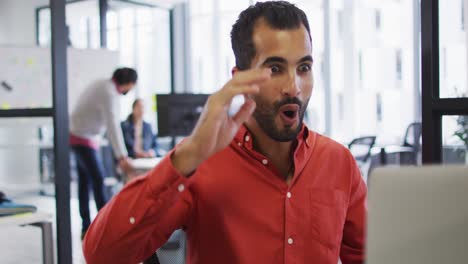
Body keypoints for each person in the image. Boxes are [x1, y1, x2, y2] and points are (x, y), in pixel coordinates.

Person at [83, 2, 367, 264]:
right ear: (240, 78)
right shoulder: (201, 165)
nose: (294, 87)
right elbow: (102, 255)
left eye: (303, 67)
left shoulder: (338, 162)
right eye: (275, 68)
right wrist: (189, 154)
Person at [70, 67, 136, 238]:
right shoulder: (109, 93)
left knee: (85, 183)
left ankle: (87, 227)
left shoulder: (102, 84)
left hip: (79, 136)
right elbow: (112, 124)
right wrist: (122, 156)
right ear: (128, 83)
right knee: (98, 180)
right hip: (83, 138)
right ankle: (105, 228)